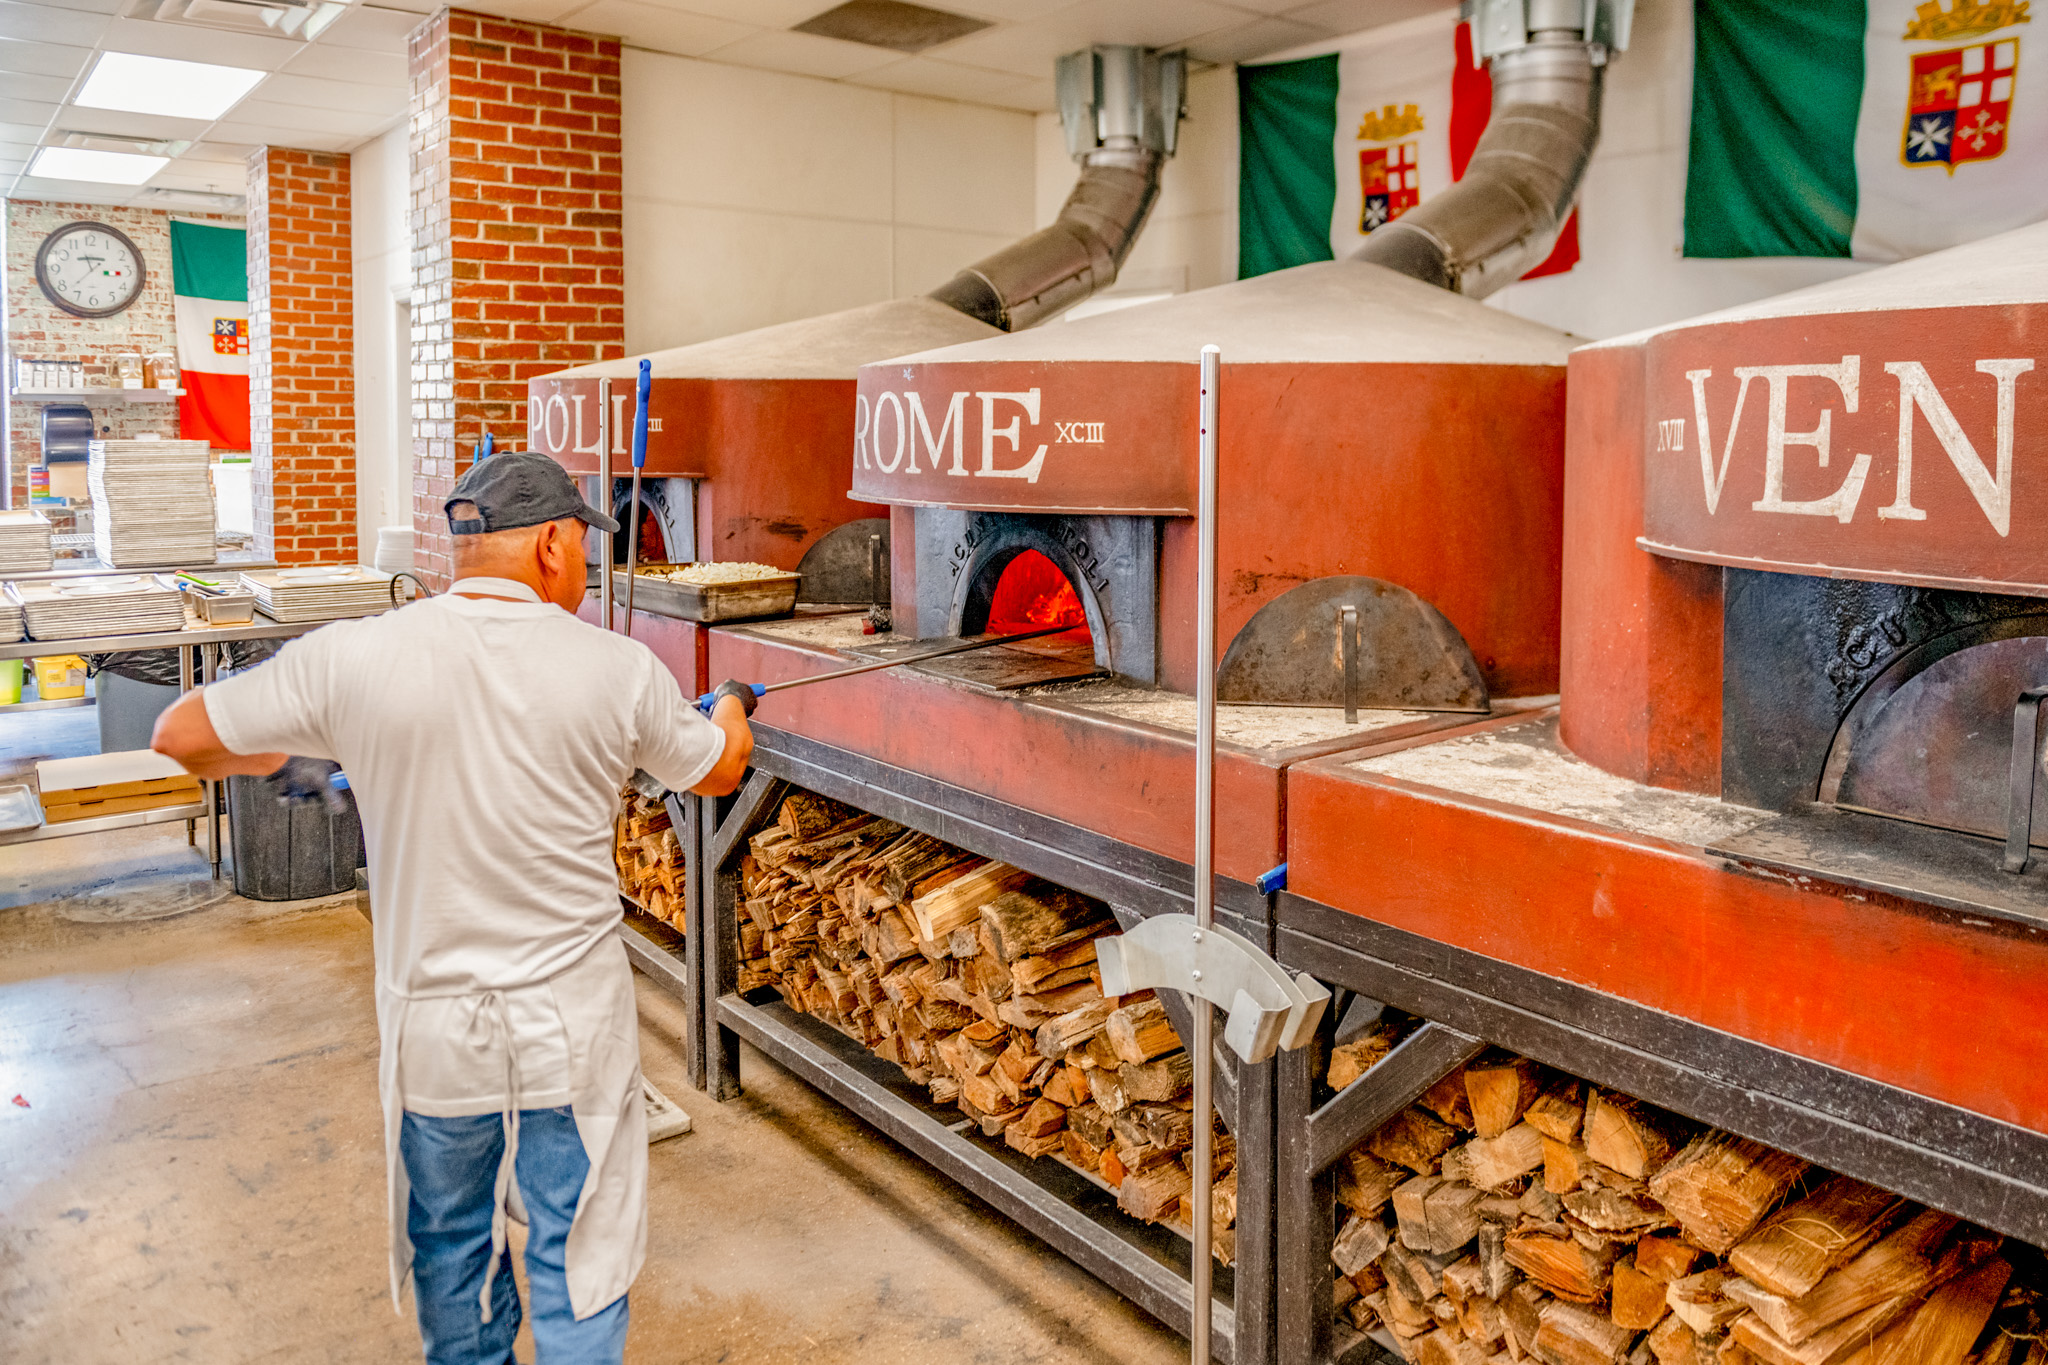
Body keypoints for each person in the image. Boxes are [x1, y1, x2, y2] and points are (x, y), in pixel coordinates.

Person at [152, 451, 758, 1365]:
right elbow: (717, 766)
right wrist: (736, 704)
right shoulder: (617, 669)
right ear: (553, 545)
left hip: (437, 1036)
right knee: (578, 1259)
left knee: (455, 1262)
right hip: (571, 1036)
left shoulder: (358, 653)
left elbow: (182, 734)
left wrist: (290, 760)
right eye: (583, 547)